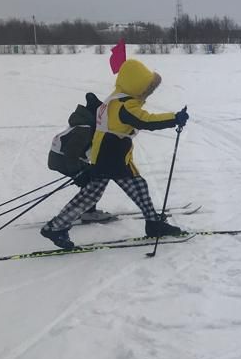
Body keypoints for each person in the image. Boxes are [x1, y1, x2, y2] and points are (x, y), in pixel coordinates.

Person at [40, 58, 188, 249]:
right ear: (136, 85)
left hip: (115, 154)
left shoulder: (114, 99)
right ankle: (55, 227)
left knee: (138, 186)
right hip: (110, 156)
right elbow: (145, 121)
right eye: (145, 88)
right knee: (91, 195)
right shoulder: (124, 105)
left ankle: (153, 224)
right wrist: (174, 118)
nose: (147, 93)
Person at [48, 92, 114, 223]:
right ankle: (87, 212)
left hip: (61, 158)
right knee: (92, 181)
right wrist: (77, 172)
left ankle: (87, 210)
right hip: (63, 160)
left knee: (92, 177)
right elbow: (70, 152)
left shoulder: (84, 124)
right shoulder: (84, 129)